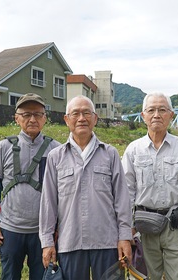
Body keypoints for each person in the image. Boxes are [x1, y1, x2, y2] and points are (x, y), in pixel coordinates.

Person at [39, 95, 132, 280]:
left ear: (95, 118)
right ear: (67, 119)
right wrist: (47, 242)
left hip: (107, 242)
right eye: (76, 113)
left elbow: (122, 200)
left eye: (86, 113)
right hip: (70, 242)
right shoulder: (55, 157)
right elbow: (48, 202)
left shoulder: (110, 154)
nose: (82, 118)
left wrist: (125, 237)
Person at [0, 93, 61, 280]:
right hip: (9, 230)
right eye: (26, 114)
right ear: (17, 118)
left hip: (43, 232)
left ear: (45, 118)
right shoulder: (4, 146)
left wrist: (58, 227)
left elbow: (63, 193)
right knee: (9, 276)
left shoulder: (56, 149)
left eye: (38, 114)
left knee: (41, 276)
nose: (32, 119)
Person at [122, 93, 178, 280]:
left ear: (171, 115)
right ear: (143, 115)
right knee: (143, 276)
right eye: (151, 110)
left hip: (177, 226)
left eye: (162, 110)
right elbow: (127, 190)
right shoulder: (133, 149)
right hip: (143, 227)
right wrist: (127, 226)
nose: (156, 115)